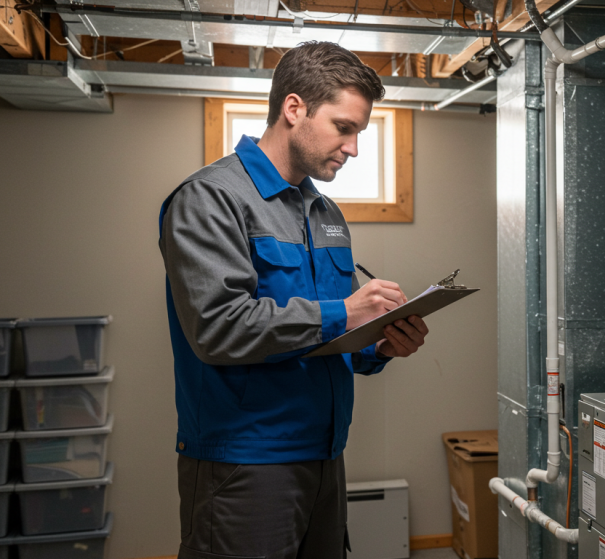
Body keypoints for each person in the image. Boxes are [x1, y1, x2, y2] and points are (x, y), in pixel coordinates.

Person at [158, 41, 429, 559]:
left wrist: (380, 344)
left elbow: (330, 333)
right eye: (344, 128)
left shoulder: (324, 212)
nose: (352, 148)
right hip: (244, 461)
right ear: (294, 108)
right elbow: (219, 327)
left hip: (324, 455)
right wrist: (348, 311)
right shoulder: (211, 199)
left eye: (359, 133)